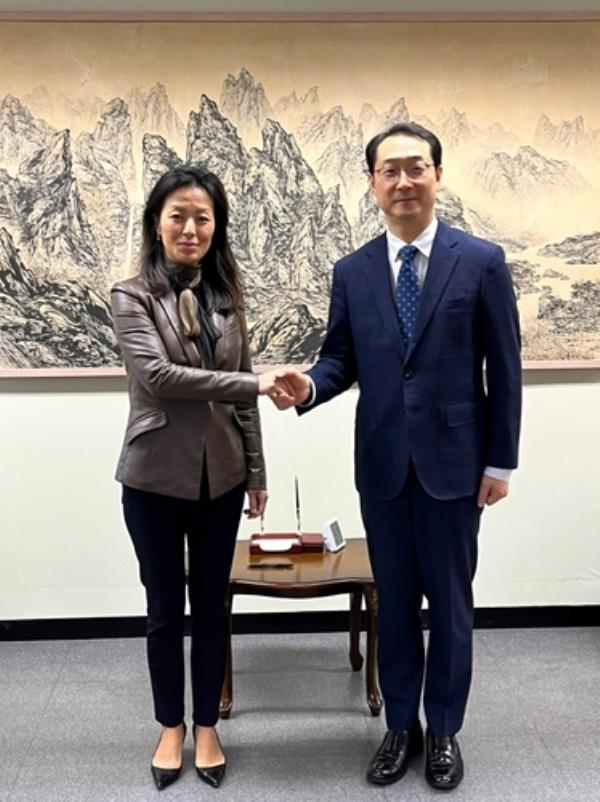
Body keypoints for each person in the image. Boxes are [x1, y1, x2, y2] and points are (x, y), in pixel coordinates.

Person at [271, 122, 521, 791]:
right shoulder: (352, 271)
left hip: (456, 466)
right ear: (372, 183)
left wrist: (501, 462)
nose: (403, 181)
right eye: (390, 170)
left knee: (450, 603)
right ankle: (400, 726)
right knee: (394, 605)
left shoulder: (482, 261)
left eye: (416, 167)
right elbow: (341, 359)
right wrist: (309, 388)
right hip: (382, 465)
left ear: (436, 175)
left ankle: (443, 731)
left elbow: (506, 367)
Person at [111, 165, 288, 791]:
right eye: (178, 215)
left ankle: (207, 725)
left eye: (203, 217)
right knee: (164, 609)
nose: (191, 228)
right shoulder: (131, 296)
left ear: (218, 227)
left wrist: (258, 470)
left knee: (212, 607)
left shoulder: (228, 300)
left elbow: (243, 403)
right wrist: (255, 382)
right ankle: (170, 726)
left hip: (224, 479)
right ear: (157, 224)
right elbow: (160, 378)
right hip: (154, 477)